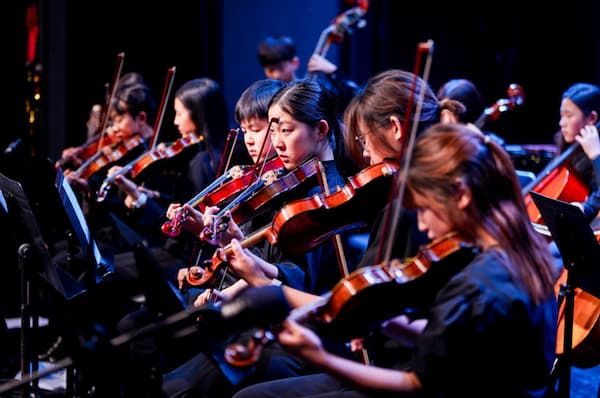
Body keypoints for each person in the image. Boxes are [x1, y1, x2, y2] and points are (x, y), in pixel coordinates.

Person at [233, 123, 558, 398]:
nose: (421, 225)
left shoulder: (480, 285)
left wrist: (320, 358)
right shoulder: (523, 256)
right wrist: (382, 319)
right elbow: (459, 351)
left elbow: (417, 384)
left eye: (425, 208)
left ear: (461, 194)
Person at [161, 78, 361, 398]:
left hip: (295, 334)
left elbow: (297, 280)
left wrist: (248, 271)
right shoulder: (293, 184)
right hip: (268, 318)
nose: (277, 142)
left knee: (181, 381)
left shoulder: (326, 196)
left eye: (287, 130)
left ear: (321, 131)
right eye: (275, 130)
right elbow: (274, 256)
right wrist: (235, 240)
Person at [257, 35, 359, 115]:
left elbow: (356, 98)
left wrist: (333, 71)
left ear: (295, 63)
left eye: (281, 68)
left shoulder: (314, 90)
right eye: (271, 70)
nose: (276, 75)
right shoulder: (264, 97)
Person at [552, 82, 600, 222]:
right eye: (562, 116)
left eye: (569, 116)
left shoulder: (596, 150)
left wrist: (596, 156)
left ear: (591, 118)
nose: (562, 122)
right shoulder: (568, 146)